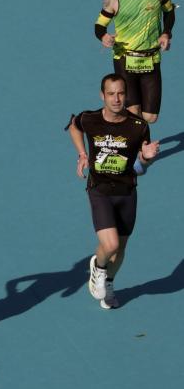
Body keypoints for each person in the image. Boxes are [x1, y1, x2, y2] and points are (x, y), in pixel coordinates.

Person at [67, 74, 159, 309]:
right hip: (99, 189)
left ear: (126, 95)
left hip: (127, 191)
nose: (116, 99)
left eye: (120, 93)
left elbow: (140, 167)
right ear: (102, 95)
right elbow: (74, 127)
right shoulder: (90, 119)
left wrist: (147, 160)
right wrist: (82, 153)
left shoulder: (138, 126)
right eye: (111, 94)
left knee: (121, 249)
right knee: (110, 246)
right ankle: (97, 268)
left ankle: (108, 282)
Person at [94, 0, 176, 125]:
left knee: (150, 117)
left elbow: (169, 13)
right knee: (134, 114)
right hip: (124, 59)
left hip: (151, 58)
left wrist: (166, 33)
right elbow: (100, 25)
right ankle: (141, 149)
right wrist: (103, 37)